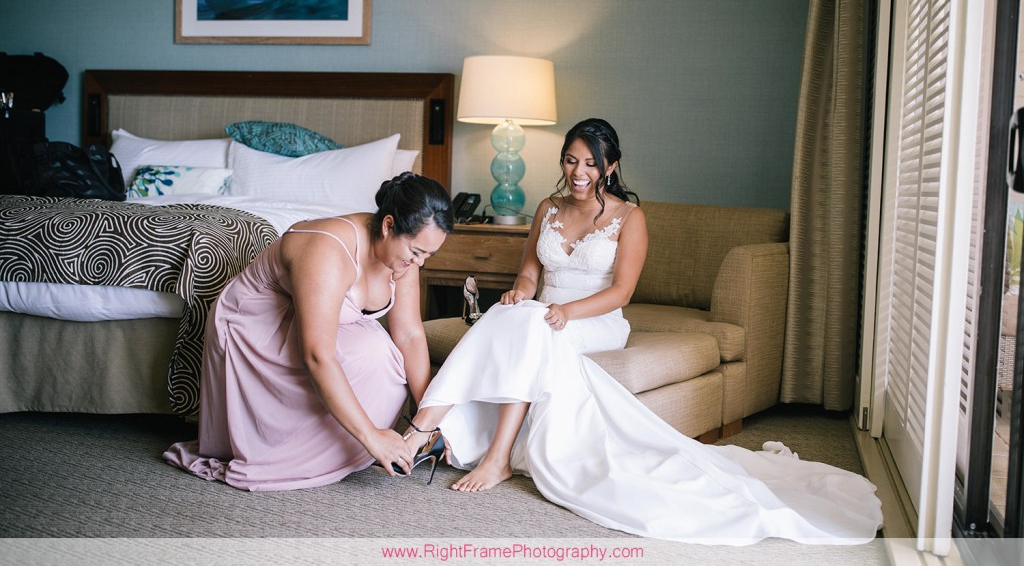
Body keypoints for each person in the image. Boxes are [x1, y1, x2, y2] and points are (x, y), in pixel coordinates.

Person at [398, 119, 883, 545]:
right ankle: (436, 430)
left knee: (531, 327)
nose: (579, 172)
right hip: (543, 314)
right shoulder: (548, 207)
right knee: (507, 316)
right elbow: (528, 273)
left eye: (591, 163)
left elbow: (622, 292)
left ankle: (471, 447)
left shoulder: (630, 217)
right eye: (571, 160)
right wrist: (519, 294)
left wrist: (566, 311)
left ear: (610, 166)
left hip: (597, 320)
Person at [164, 172, 453, 491]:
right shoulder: (327, 248)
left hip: (319, 326)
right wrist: (371, 436)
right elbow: (317, 356)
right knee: (367, 355)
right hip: (257, 329)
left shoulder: (403, 259)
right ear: (388, 226)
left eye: (429, 255)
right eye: (416, 252)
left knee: (384, 355)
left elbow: (410, 335)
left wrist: (426, 419)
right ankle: (297, 446)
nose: (420, 263)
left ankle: (345, 444)